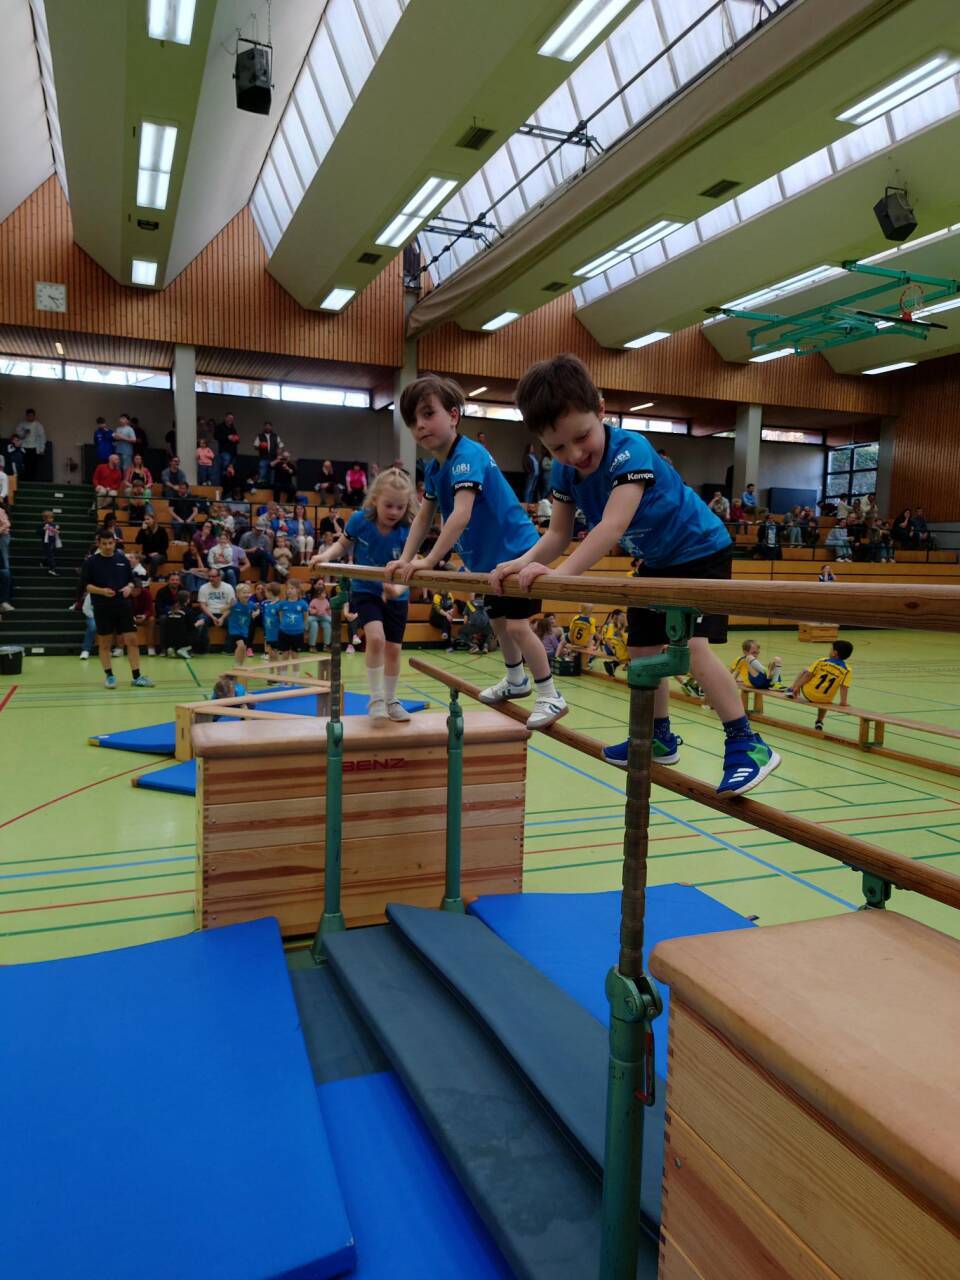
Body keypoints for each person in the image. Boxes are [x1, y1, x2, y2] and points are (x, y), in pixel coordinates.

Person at [497, 353, 778, 796]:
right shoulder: (567, 473)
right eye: (558, 448)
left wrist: (562, 576)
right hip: (656, 562)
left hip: (701, 550)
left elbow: (612, 526)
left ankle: (747, 742)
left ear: (601, 410)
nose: (574, 455)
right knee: (643, 650)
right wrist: (522, 561)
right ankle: (659, 736)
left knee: (693, 648)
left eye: (582, 437)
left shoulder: (631, 450)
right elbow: (558, 533)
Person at [390, 374, 567, 730]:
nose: (419, 425)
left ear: (453, 415)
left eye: (428, 414)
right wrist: (405, 558)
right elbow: (424, 516)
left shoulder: (468, 455)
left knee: (517, 626)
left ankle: (550, 693)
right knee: (499, 621)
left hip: (519, 553)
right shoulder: (436, 468)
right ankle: (515, 679)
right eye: (412, 420)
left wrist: (429, 560)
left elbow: (460, 514)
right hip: (489, 563)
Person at [311, 467, 415, 722]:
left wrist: (396, 589)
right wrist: (325, 556)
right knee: (376, 639)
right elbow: (342, 545)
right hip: (366, 589)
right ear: (375, 499)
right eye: (388, 505)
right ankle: (376, 698)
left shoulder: (408, 529)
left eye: (400, 507)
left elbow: (412, 567)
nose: (394, 512)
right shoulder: (360, 520)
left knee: (393, 650)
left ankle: (391, 700)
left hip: (397, 594)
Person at [79, 528, 154, 688]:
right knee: (105, 644)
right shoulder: (91, 562)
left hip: (123, 606)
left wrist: (129, 586)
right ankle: (110, 676)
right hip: (102, 607)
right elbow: (87, 586)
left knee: (132, 640)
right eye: (104, 543)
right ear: (98, 543)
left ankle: (137, 677)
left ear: (114, 543)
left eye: (110, 543)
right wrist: (102, 591)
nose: (108, 546)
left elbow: (131, 579)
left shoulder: (122, 560)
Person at [785, 640, 854, 729]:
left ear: (834, 653)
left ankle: (791, 690)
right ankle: (819, 721)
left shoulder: (822, 661)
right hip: (825, 699)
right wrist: (843, 702)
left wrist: (797, 686)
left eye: (831, 649)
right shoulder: (847, 670)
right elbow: (844, 686)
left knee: (805, 670)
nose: (829, 651)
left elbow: (808, 675)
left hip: (808, 694)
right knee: (826, 698)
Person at [197, 568, 236, 646]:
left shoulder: (228, 587)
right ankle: (203, 647)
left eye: (213, 576)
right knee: (200, 622)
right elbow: (202, 605)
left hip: (224, 613)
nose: (211, 578)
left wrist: (222, 618)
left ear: (219, 577)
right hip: (209, 613)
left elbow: (232, 606)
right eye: (209, 576)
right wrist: (212, 617)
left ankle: (228, 648)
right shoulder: (203, 587)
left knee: (235, 622)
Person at [277, 580, 309, 662]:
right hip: (284, 633)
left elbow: (305, 617)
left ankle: (295, 671)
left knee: (295, 656)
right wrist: (284, 626)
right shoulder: (282, 603)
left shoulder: (303, 603)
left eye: (292, 588)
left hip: (298, 634)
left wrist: (304, 629)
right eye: (288, 588)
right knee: (284, 656)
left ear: (298, 590)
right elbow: (281, 616)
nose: (289, 590)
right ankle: (283, 671)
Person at [226, 582, 258, 662]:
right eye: (244, 593)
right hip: (235, 629)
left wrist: (256, 613)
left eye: (248, 593)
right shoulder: (234, 604)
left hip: (245, 630)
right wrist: (229, 605)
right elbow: (222, 610)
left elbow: (257, 609)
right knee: (241, 645)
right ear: (237, 594)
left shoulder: (251, 604)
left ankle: (240, 665)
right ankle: (237, 664)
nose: (246, 595)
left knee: (243, 648)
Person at [17, 408, 46, 481]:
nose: (30, 417)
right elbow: (18, 436)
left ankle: (32, 482)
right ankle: (25, 482)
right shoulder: (22, 425)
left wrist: (42, 449)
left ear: (34, 416)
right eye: (28, 416)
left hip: (34, 448)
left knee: (33, 467)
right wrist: (24, 433)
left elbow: (42, 437)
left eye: (31, 416)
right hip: (24, 448)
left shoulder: (38, 425)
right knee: (25, 466)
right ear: (26, 416)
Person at [129, 579, 156, 654]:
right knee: (120, 619)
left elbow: (150, 609)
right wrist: (131, 617)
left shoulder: (146, 593)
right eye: (133, 590)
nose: (135, 592)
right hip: (129, 618)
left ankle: (151, 647)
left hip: (143, 618)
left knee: (151, 619)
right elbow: (124, 609)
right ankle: (121, 647)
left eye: (137, 590)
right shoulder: (126, 594)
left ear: (141, 589)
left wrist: (144, 616)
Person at [600, 608, 628, 676]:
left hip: (608, 647)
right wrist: (613, 650)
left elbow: (602, 638)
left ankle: (614, 664)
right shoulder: (612, 626)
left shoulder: (607, 624)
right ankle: (617, 664)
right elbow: (607, 640)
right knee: (631, 653)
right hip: (611, 649)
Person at [214, 413, 240, 484]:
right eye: (229, 418)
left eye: (232, 418)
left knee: (231, 470)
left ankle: (229, 484)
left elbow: (236, 439)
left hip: (233, 452)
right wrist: (227, 437)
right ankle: (223, 483)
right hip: (224, 450)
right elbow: (216, 436)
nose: (230, 419)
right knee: (225, 467)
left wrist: (236, 439)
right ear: (225, 418)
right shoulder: (220, 427)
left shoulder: (233, 428)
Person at [260, 582, 283, 659]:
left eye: (266, 592)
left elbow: (282, 620)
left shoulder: (279, 605)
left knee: (277, 655)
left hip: (277, 635)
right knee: (271, 655)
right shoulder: (268, 605)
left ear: (270, 592)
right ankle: (272, 667)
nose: (265, 593)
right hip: (269, 634)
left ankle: (279, 667)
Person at [306, 584, 332, 652]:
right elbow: (309, 609)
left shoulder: (326, 601)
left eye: (325, 593)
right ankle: (312, 646)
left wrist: (329, 610)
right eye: (323, 593)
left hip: (323, 617)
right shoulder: (314, 600)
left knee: (327, 625)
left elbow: (329, 611)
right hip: (315, 617)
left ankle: (326, 646)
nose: (325, 595)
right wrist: (315, 611)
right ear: (319, 594)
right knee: (311, 622)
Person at [38, 510, 60, 575]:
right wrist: (43, 529)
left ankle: (43, 562)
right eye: (49, 518)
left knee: (51, 554)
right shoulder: (42, 525)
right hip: (46, 543)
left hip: (53, 542)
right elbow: (38, 532)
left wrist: (57, 531)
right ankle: (52, 569)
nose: (51, 519)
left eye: (52, 518)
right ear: (44, 519)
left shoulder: (53, 525)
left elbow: (55, 532)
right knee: (50, 555)